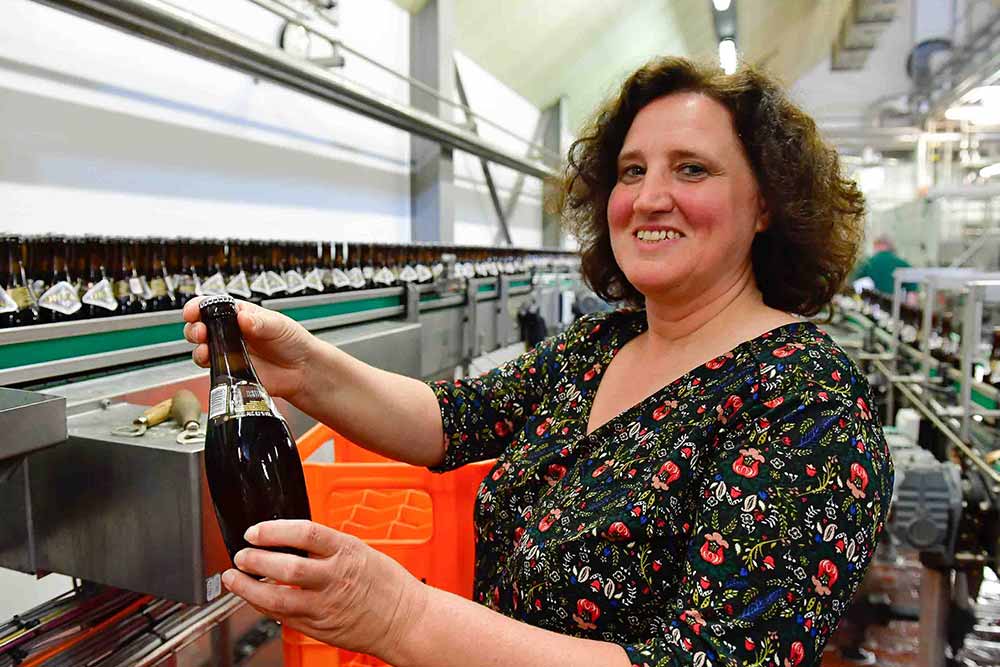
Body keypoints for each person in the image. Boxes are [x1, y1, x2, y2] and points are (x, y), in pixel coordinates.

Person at [183, 56, 892, 667]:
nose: (649, 197)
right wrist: (302, 367)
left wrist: (399, 616)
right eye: (631, 170)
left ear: (766, 202)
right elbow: (447, 421)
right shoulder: (600, 346)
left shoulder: (807, 400)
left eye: (692, 169)